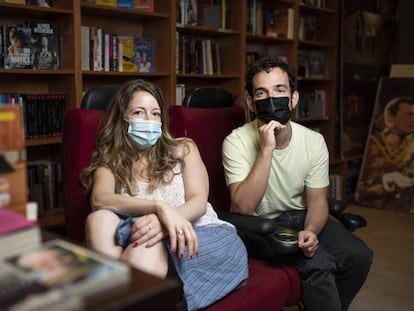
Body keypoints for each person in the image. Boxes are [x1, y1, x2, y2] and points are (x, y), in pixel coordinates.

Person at [80, 79, 248, 311]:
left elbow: (199, 201)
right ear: (123, 119)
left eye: (155, 113)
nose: (149, 120)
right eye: (139, 112)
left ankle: (116, 300)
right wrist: (159, 208)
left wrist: (167, 222)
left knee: (143, 247)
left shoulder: (184, 148)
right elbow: (100, 199)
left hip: (198, 233)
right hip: (143, 229)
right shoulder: (110, 159)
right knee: (98, 219)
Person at [222, 57, 373, 311]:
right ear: (250, 102)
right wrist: (266, 151)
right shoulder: (235, 142)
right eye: (262, 93)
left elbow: (317, 202)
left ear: (293, 98)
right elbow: (243, 207)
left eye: (280, 91)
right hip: (260, 225)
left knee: (359, 256)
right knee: (318, 263)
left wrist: (312, 230)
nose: (272, 99)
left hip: (301, 217)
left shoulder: (313, 141)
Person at [357, 96, 414, 213]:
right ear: (390, 117)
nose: (413, 119)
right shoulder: (372, 145)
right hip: (376, 210)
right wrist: (384, 180)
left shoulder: (410, 144)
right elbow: (360, 190)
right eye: (409, 115)